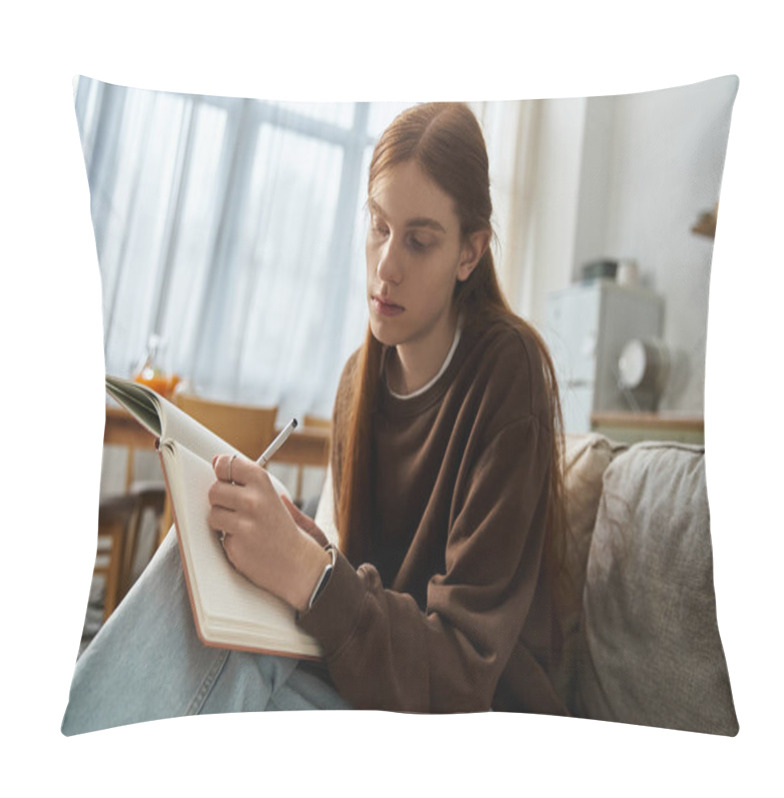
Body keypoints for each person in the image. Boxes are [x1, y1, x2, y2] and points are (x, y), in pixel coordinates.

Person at [62, 102, 569, 734]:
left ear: (470, 252)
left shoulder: (507, 372)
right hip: (374, 688)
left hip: (467, 720)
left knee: (236, 666)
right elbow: (364, 598)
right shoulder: (361, 379)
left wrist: (311, 574)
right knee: (201, 560)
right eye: (379, 227)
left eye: (419, 239)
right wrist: (303, 546)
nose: (386, 265)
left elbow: (465, 670)